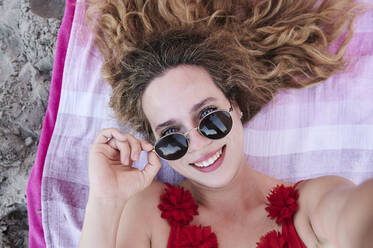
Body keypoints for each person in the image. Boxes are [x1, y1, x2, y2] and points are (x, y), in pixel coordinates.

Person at [79, 0, 373, 247]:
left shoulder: (310, 205)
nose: (197, 143)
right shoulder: (148, 211)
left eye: (209, 117)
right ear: (155, 146)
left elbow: (356, 218)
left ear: (235, 106)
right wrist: (106, 199)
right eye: (171, 136)